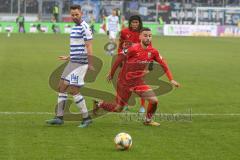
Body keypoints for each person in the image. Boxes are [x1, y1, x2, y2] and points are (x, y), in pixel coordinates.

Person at [93, 28, 180, 126]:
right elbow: (119, 59)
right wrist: (112, 73)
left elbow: (164, 64)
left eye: (150, 36)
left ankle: (148, 121)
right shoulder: (133, 49)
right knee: (118, 109)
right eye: (145, 35)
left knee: (154, 101)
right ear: (140, 37)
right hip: (124, 83)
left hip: (139, 82)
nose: (148, 38)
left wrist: (171, 79)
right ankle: (99, 104)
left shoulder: (153, 52)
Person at [46, 4, 94, 128]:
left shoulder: (84, 27)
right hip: (73, 61)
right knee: (61, 86)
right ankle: (59, 118)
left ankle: (86, 118)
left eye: (76, 14)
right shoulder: (75, 27)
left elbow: (88, 46)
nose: (74, 17)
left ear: (81, 13)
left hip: (80, 63)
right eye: (72, 15)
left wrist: (90, 63)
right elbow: (79, 46)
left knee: (74, 90)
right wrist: (69, 56)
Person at [118, 15, 147, 113]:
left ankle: (142, 106)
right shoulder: (124, 32)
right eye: (133, 22)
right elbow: (120, 45)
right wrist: (120, 58)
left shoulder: (143, 33)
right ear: (130, 23)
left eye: (136, 22)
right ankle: (124, 104)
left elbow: (149, 46)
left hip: (140, 62)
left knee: (141, 83)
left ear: (139, 23)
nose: (135, 24)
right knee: (126, 84)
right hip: (127, 62)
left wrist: (149, 60)